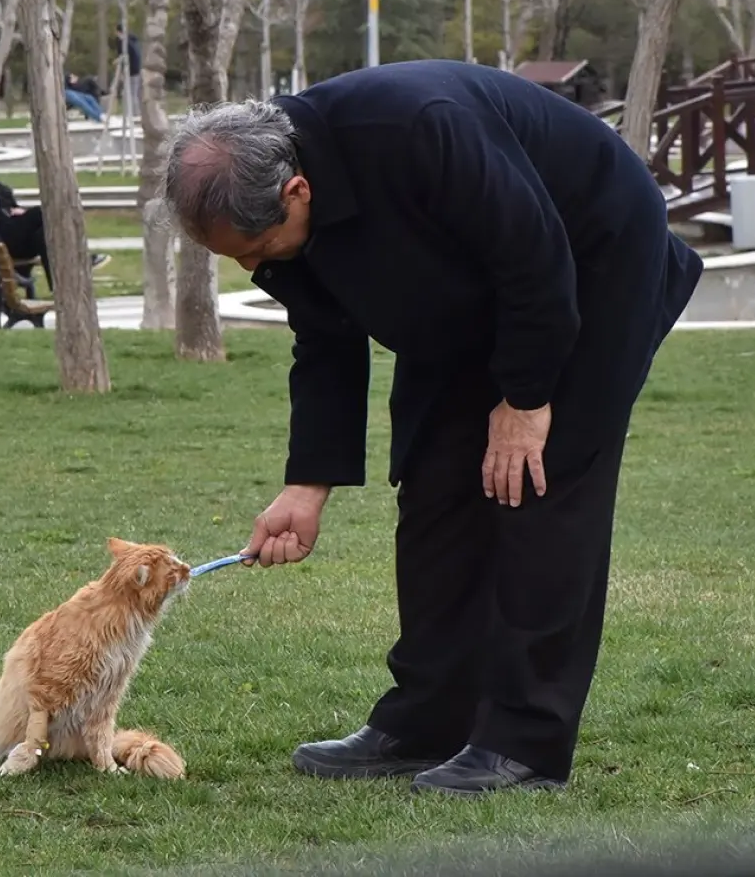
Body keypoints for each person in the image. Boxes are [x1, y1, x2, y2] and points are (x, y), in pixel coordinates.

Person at [164, 61, 703, 797]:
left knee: (538, 487)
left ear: (298, 191)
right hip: (470, 287)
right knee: (433, 480)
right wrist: (306, 486)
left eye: (257, 251)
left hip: (592, 258)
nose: (255, 267)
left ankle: (524, 742)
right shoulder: (279, 199)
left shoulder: (420, 129)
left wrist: (525, 400)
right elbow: (325, 338)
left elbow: (534, 255)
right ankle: (427, 721)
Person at [0, 149, 109, 289]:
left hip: (17, 238)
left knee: (44, 235)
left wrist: (19, 212)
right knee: (41, 213)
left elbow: (13, 208)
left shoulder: (0, 188)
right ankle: (81, 258)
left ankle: (60, 291)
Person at [114, 23, 142, 118]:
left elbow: (126, 56)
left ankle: (133, 114)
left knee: (129, 94)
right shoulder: (132, 40)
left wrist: (120, 65)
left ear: (118, 32)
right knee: (132, 93)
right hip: (136, 69)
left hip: (131, 70)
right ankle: (134, 113)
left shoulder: (124, 42)